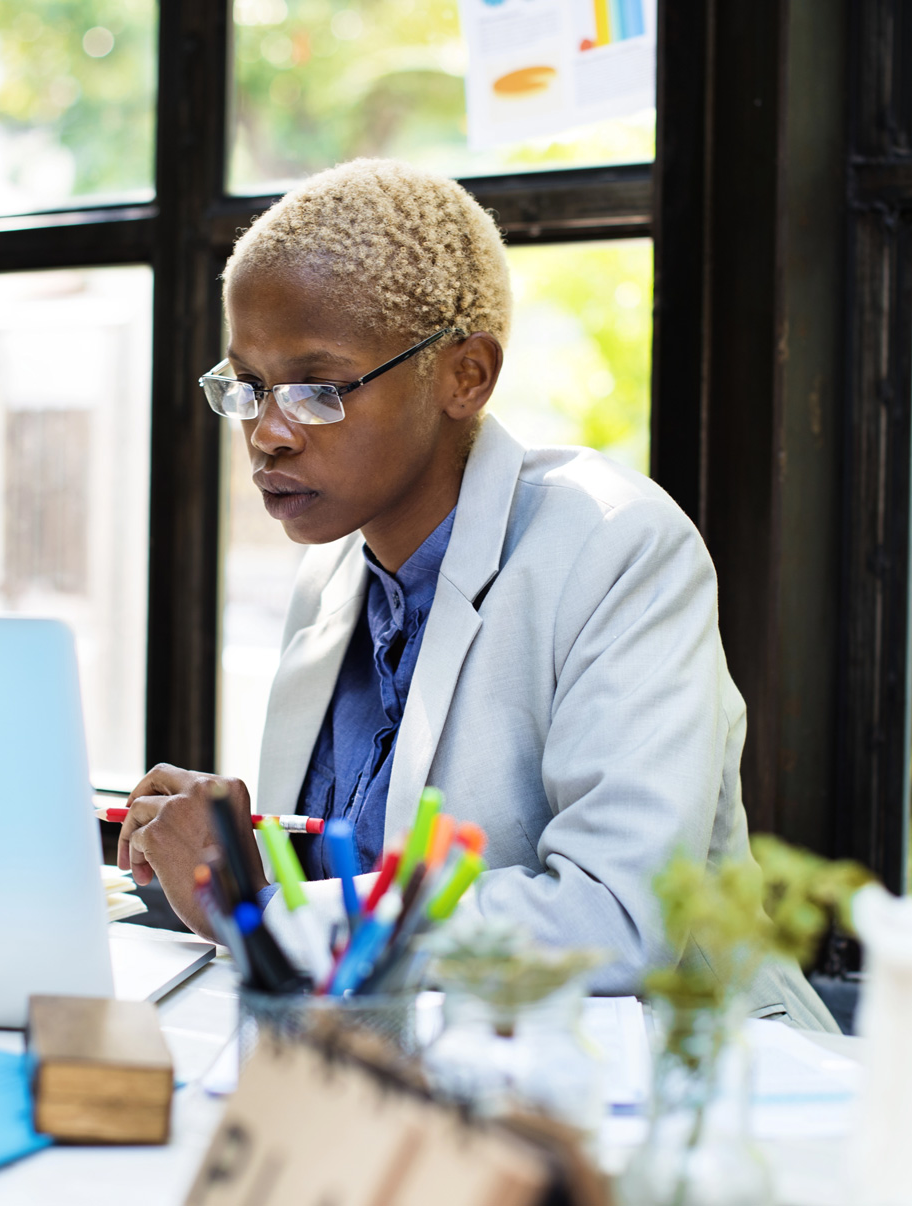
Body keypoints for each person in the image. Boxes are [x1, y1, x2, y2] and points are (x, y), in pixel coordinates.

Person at [119, 158, 835, 1029]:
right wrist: (239, 856)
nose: (269, 433)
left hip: (685, 1092)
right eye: (250, 388)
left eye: (317, 389)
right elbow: (365, 882)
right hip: (424, 1078)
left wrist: (266, 913)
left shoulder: (615, 547)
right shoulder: (333, 575)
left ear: (466, 376)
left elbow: (615, 919)